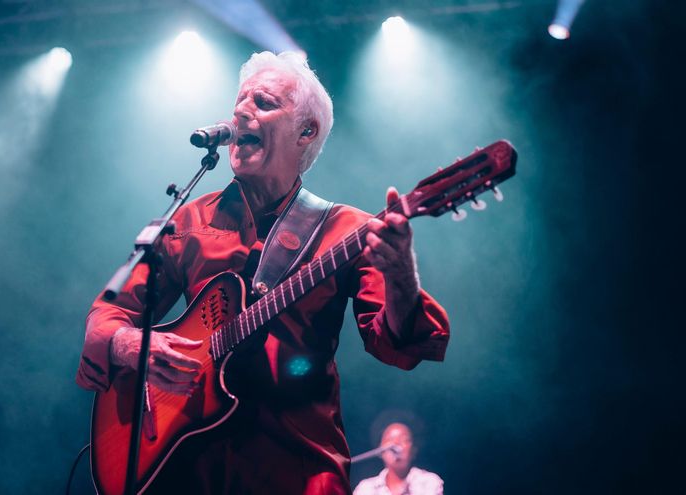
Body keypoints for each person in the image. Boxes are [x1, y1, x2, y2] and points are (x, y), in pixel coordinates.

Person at [76, 51, 450, 494]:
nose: (242, 112)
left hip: (298, 469)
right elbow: (108, 315)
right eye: (239, 103)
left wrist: (402, 272)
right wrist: (130, 344)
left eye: (264, 103)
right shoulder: (188, 222)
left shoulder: (348, 230)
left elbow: (398, 344)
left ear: (305, 131)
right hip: (187, 471)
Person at [353, 423, 443, 495]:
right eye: (389, 439)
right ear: (380, 451)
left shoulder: (428, 482)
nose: (395, 444)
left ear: (413, 451)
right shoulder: (366, 488)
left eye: (403, 440)